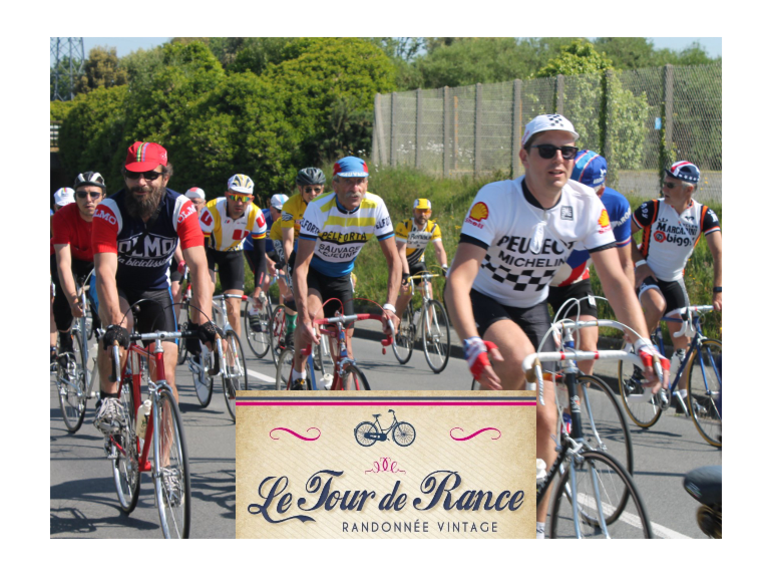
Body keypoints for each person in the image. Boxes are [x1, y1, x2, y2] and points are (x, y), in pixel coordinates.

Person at [444, 114, 668, 539]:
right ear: (525, 156)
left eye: (568, 151)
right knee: (517, 358)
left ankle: (534, 525)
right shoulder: (496, 199)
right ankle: (493, 447)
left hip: (533, 306)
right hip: (486, 299)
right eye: (547, 150)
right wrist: (470, 340)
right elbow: (459, 277)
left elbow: (616, 280)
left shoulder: (585, 203)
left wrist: (643, 343)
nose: (559, 159)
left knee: (547, 421)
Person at [91, 142, 219, 440]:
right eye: (133, 176)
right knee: (121, 327)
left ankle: (166, 466)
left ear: (165, 177)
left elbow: (199, 266)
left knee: (166, 377)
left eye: (150, 175)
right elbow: (105, 272)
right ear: (124, 177)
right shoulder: (109, 210)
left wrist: (204, 320)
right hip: (119, 288)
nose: (141, 183)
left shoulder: (180, 208)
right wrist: (114, 324)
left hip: (156, 290)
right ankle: (109, 399)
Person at [291, 156, 401, 390]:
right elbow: (301, 266)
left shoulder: (376, 206)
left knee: (346, 348)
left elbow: (394, 260)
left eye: (360, 181)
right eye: (349, 182)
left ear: (367, 184)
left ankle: (340, 398)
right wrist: (302, 318)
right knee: (312, 315)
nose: (355, 188)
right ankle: (298, 373)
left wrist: (390, 307)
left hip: (341, 275)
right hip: (313, 271)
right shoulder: (318, 208)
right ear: (335, 185)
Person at [631, 160, 723, 402]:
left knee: (684, 340)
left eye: (671, 185)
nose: (665, 188)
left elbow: (719, 252)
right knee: (657, 306)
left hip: (673, 279)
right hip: (646, 272)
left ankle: (683, 395)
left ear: (688, 189)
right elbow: (622, 235)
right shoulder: (652, 208)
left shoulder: (704, 215)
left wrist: (718, 291)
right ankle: (638, 356)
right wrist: (640, 265)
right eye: (664, 182)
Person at [547, 151, 634, 376]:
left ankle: (569, 409)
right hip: (533, 281)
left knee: (587, 350)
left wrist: (630, 320)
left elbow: (624, 265)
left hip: (574, 282)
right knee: (533, 357)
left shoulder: (616, 207)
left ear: (601, 192)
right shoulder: (547, 197)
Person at [199, 174, 267, 342]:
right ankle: (200, 341)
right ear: (227, 195)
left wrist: (258, 289)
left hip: (233, 255)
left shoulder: (256, 216)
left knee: (234, 310)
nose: (239, 202)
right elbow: (201, 249)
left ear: (251, 199)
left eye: (244, 198)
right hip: (209, 253)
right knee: (205, 293)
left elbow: (260, 258)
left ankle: (232, 360)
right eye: (234, 197)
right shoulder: (211, 210)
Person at [280, 168, 327, 347]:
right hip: (296, 245)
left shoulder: (327, 204)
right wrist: (289, 267)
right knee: (296, 289)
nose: (313, 194)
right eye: (308, 190)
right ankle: (292, 327)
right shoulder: (290, 206)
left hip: (318, 247)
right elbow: (288, 242)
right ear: (300, 189)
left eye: (317, 189)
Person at [394, 199, 449, 322]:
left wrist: (444, 267)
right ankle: (395, 322)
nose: (422, 214)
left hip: (418, 264)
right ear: (414, 211)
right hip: (402, 264)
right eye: (419, 210)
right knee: (407, 293)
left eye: (426, 211)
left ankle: (426, 334)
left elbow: (439, 250)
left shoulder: (433, 227)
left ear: (430, 213)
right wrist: (406, 274)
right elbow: (401, 252)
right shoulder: (404, 226)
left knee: (428, 291)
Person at [49, 186, 84, 367]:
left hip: (82, 256)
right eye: (60, 208)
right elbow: (61, 262)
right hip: (57, 256)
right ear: (54, 208)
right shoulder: (53, 220)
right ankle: (64, 339)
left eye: (69, 206)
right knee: (60, 286)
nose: (65, 211)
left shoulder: (88, 215)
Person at [170, 187, 207, 319]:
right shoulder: (180, 215)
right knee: (175, 293)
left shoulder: (207, 220)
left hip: (198, 260)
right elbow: (174, 243)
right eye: (190, 201)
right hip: (179, 258)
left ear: (204, 203)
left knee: (199, 297)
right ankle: (174, 330)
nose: (193, 205)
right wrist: (181, 260)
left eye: (196, 202)